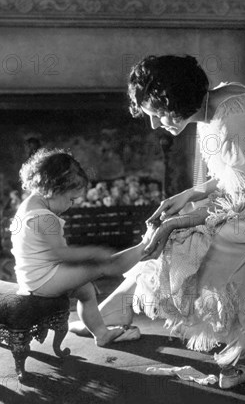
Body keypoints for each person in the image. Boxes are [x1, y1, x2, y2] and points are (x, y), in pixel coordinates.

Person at [70, 55, 245, 366]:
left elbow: (237, 199)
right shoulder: (219, 99)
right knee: (188, 220)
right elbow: (239, 174)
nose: (153, 124)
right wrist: (189, 194)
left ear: (176, 104)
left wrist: (176, 222)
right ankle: (117, 306)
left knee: (212, 232)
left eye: (158, 114)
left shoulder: (229, 123)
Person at [10, 147, 151, 347]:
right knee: (101, 267)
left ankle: (100, 333)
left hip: (34, 275)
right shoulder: (45, 218)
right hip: (42, 279)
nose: (70, 206)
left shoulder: (29, 206)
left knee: (85, 289)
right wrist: (95, 253)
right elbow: (62, 254)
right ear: (53, 189)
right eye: (70, 199)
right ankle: (144, 249)